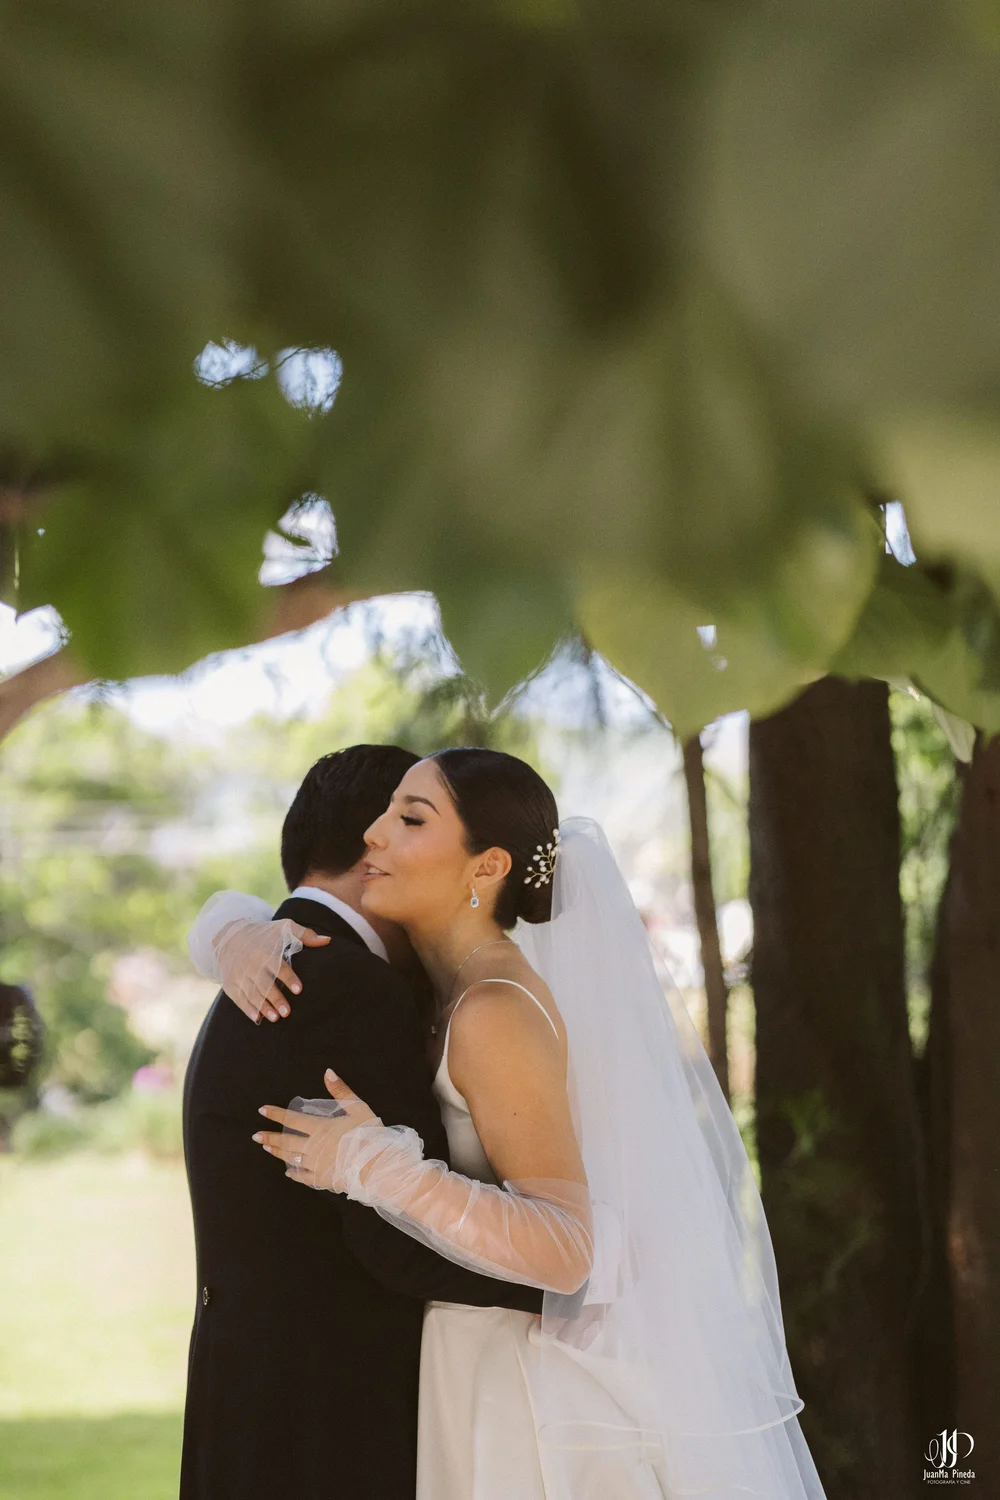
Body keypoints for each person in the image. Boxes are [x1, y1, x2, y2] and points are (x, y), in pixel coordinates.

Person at [194, 748, 829, 1500]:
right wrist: (230, 930)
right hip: (463, 1366)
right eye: (383, 813)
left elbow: (568, 1250)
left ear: (486, 867)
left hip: (520, 1389)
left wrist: (376, 1165)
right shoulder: (437, 990)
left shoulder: (493, 1007)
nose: (374, 835)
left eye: (410, 818)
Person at [180, 744, 545, 1500]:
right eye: (394, 821)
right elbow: (390, 1241)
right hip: (330, 1418)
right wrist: (573, 1281)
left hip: (244, 1395)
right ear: (367, 849)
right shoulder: (346, 983)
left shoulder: (276, 960)